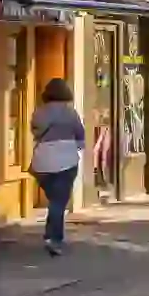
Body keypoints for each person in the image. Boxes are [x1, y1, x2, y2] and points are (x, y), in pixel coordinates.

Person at [29, 77, 85, 256]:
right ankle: (54, 239)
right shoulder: (70, 113)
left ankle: (50, 233)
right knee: (59, 201)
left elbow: (35, 131)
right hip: (66, 160)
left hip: (42, 162)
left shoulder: (39, 112)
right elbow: (80, 134)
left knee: (55, 200)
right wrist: (77, 146)